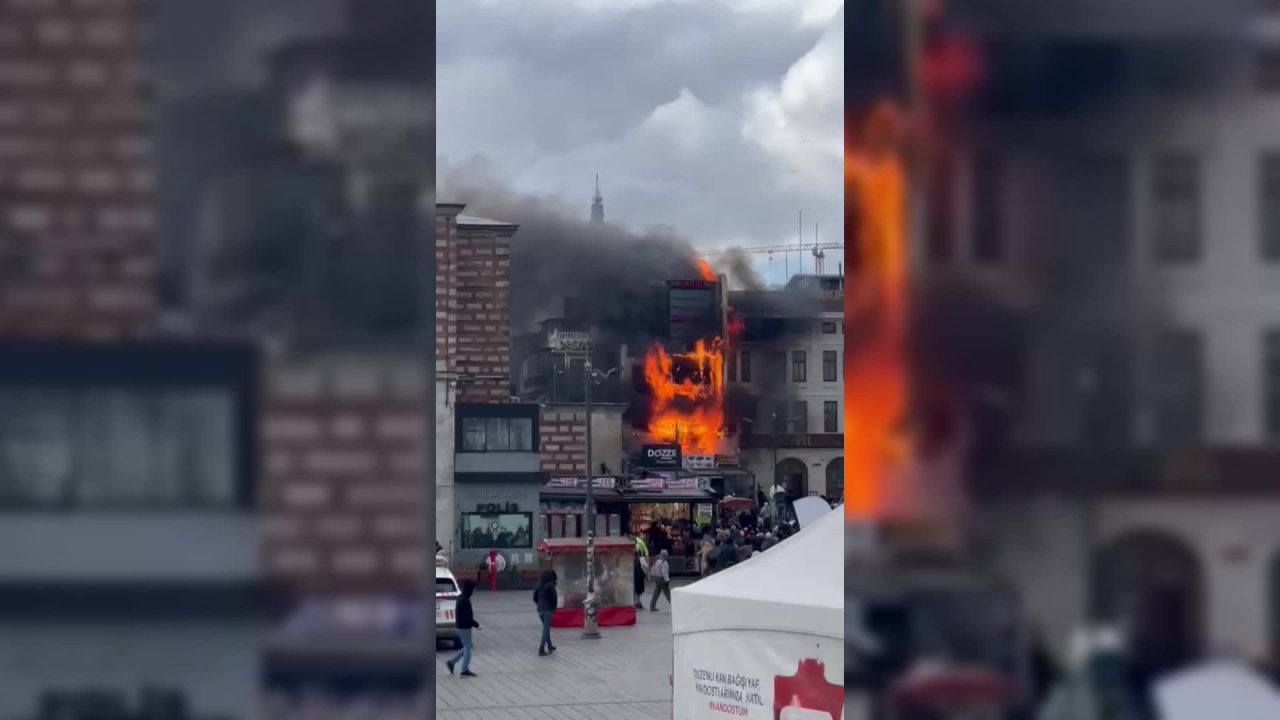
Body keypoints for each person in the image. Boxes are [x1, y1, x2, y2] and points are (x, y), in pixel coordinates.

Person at [446, 580, 481, 677]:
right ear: (469, 589)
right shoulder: (465, 600)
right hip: (464, 627)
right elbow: (467, 617)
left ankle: (451, 662)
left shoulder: (461, 598)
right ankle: (464, 670)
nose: (473, 591)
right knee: (468, 648)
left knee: (467, 647)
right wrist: (476, 625)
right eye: (473, 589)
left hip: (460, 626)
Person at [533, 570, 559, 656]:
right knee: (545, 629)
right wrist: (553, 607)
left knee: (546, 628)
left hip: (540, 610)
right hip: (548, 609)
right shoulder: (551, 586)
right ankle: (541, 649)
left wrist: (539, 604)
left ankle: (550, 646)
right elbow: (554, 598)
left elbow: (534, 597)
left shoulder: (539, 586)